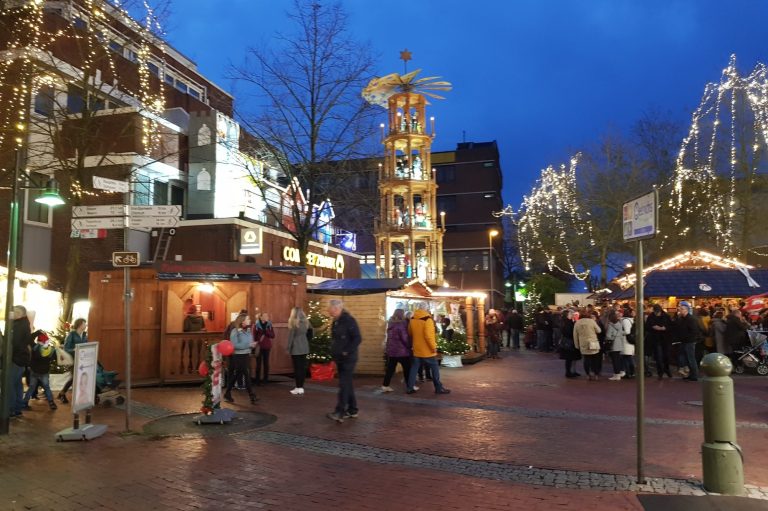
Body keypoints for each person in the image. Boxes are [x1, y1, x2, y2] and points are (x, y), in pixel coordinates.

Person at [326, 299, 362, 423]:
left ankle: (340, 411)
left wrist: (346, 351)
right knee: (347, 384)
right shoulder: (336, 321)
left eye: (329, 309)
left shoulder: (349, 321)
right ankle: (352, 409)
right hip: (340, 358)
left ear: (336, 309)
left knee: (344, 384)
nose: (328, 311)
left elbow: (357, 338)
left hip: (348, 358)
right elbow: (335, 340)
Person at [406, 306, 451, 395]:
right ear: (426, 310)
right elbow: (428, 336)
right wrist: (433, 347)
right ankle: (438, 388)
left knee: (414, 368)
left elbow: (410, 332)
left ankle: (410, 388)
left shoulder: (412, 319)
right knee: (434, 369)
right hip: (427, 350)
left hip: (416, 349)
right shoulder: (427, 320)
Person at [223, 313, 257, 404]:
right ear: (242, 321)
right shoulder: (235, 332)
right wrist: (248, 345)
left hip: (246, 355)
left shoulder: (248, 331)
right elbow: (234, 345)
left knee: (237, 375)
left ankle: (227, 392)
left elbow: (249, 342)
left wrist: (252, 345)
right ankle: (252, 395)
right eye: (248, 319)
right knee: (246, 374)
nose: (250, 320)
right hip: (239, 356)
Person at [22, 332, 58, 410]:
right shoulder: (50, 350)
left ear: (39, 341)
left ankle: (24, 403)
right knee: (46, 387)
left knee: (31, 387)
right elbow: (54, 358)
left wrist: (37, 332)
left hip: (34, 371)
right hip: (44, 372)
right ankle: (51, 403)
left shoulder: (35, 347)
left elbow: (30, 338)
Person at [9, 305, 34, 418]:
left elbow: (16, 343)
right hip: (21, 358)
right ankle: (18, 408)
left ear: (19, 313)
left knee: (11, 384)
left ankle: (12, 409)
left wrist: (9, 353)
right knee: (18, 384)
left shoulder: (19, 325)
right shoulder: (23, 323)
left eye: (14, 312)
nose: (12, 314)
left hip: (16, 358)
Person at [381, 308, 412, 393]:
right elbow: (404, 338)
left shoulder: (390, 323)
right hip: (402, 351)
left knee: (390, 369)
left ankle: (385, 385)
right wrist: (409, 346)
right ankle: (410, 385)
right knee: (407, 368)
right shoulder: (401, 324)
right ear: (401, 314)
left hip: (392, 351)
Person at [58, 318, 88, 404]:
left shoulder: (84, 334)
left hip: (82, 359)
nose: (85, 325)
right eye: (84, 324)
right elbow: (66, 348)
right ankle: (62, 393)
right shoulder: (72, 334)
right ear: (80, 324)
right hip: (73, 359)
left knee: (77, 377)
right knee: (75, 377)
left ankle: (62, 393)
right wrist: (74, 350)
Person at [675, 301, 705, 382]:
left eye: (681, 309)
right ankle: (689, 373)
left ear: (686, 310)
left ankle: (694, 374)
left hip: (689, 341)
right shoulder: (683, 319)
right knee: (686, 358)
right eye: (679, 309)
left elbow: (694, 331)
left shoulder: (690, 319)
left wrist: (686, 338)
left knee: (690, 358)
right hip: (685, 341)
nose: (680, 310)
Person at [286, 307, 310, 395]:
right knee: (302, 368)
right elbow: (312, 332)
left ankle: (297, 387)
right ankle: (301, 387)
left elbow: (291, 337)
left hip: (296, 348)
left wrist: (288, 348)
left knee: (297, 368)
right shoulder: (307, 322)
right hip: (305, 347)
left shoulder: (294, 323)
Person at [574, 310, 602, 380]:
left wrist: (577, 345)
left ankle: (588, 374)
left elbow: (575, 335)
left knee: (586, 359)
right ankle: (596, 375)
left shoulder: (577, 323)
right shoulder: (591, 321)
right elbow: (599, 330)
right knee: (595, 359)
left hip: (583, 343)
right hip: (593, 342)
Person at [646, 304, 672, 379]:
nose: (657, 314)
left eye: (658, 312)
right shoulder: (651, 316)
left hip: (665, 339)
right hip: (655, 339)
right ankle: (660, 372)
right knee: (658, 357)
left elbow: (671, 326)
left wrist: (665, 328)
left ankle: (667, 370)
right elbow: (647, 326)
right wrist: (653, 327)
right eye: (655, 312)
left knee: (666, 356)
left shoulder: (666, 316)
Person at [253, 312, 275, 384]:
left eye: (267, 316)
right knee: (258, 363)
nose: (266, 317)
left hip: (267, 346)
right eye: (265, 316)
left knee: (266, 363)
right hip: (259, 346)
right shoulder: (256, 325)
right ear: (261, 317)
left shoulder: (269, 325)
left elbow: (272, 335)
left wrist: (266, 331)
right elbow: (254, 336)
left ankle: (265, 380)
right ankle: (257, 380)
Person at [605, 310, 626, 381]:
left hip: (613, 344)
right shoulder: (619, 323)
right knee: (618, 359)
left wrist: (611, 337)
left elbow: (608, 336)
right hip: (619, 343)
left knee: (615, 360)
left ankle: (616, 375)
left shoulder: (610, 325)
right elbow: (624, 332)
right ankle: (620, 372)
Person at [559, 309, 581, 378]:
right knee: (569, 358)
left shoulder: (569, 322)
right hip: (569, 342)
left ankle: (572, 371)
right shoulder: (566, 322)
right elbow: (569, 332)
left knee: (572, 358)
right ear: (567, 315)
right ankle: (568, 372)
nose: (572, 315)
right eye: (570, 314)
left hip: (570, 341)